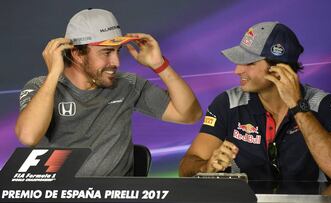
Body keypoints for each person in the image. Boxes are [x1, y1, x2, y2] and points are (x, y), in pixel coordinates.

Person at [15, 8, 202, 177]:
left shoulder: (127, 85)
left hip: (116, 195)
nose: (116, 62)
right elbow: (28, 136)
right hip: (59, 195)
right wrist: (54, 74)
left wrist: (160, 65)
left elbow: (189, 115)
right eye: (106, 52)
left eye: (117, 51)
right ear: (77, 54)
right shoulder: (41, 87)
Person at [179, 21, 331, 182]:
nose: (237, 70)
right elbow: (186, 167)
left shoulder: (322, 103)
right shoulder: (228, 103)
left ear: (279, 68)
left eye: (250, 63)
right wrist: (206, 166)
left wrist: (298, 107)